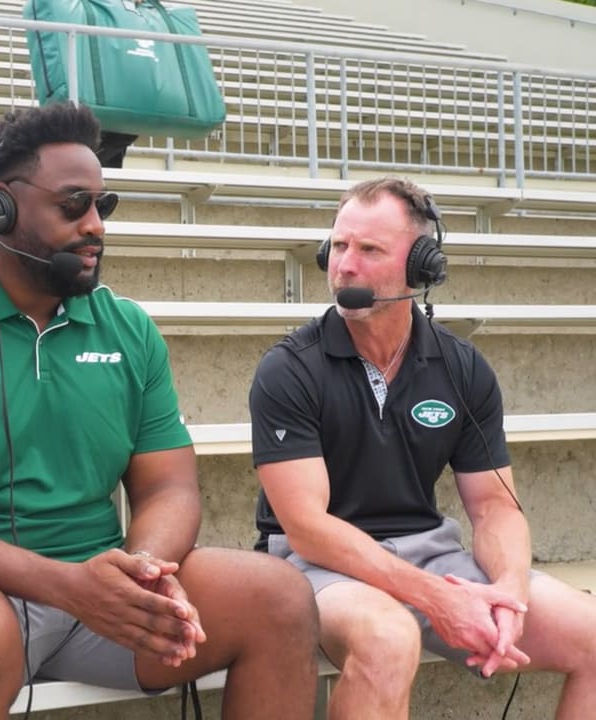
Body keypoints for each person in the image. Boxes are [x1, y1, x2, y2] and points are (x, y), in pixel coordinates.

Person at [0, 102, 318, 720]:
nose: (96, 225)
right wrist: (68, 585)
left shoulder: (127, 326)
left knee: (277, 595)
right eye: (73, 205)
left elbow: (170, 486)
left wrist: (140, 574)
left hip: (100, 586)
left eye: (103, 205)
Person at [250, 176, 596, 720]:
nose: (344, 266)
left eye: (368, 250)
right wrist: (437, 598)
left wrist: (509, 594)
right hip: (315, 565)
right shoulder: (288, 368)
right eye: (339, 246)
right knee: (388, 639)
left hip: (428, 553)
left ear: (421, 269)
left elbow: (495, 506)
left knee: (592, 634)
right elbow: (307, 528)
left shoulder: (463, 367)